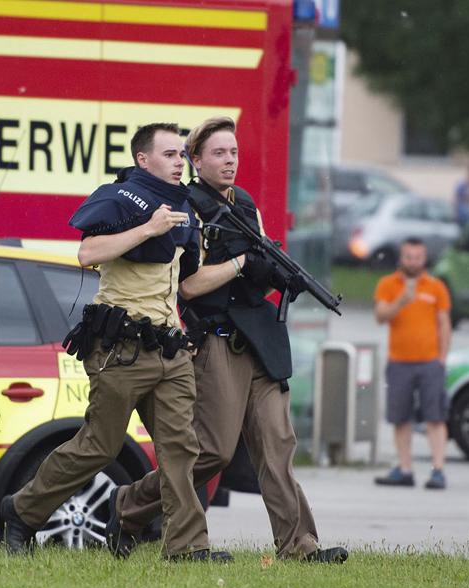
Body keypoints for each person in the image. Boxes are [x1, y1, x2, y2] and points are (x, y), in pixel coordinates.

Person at [105, 117, 347, 564]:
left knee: (277, 448)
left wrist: (275, 274)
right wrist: (241, 263)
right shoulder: (187, 207)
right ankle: (129, 505)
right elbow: (190, 285)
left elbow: (256, 268)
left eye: (234, 152)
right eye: (218, 153)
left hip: (261, 342)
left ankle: (300, 546)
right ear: (195, 161)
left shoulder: (246, 205)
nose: (230, 160)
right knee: (211, 450)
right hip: (216, 341)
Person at [0, 123, 223, 561]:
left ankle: (187, 547)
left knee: (182, 448)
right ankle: (22, 512)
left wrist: (236, 269)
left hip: (169, 350)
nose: (180, 161)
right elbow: (88, 253)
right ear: (143, 159)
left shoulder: (187, 210)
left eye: (182, 154)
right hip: (121, 349)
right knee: (99, 446)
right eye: (170, 154)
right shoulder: (118, 197)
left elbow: (184, 282)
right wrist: (147, 229)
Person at [373, 238, 451, 489]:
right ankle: (405, 469)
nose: (413, 262)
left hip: (429, 362)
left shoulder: (436, 286)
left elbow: (444, 323)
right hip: (399, 362)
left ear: (424, 258)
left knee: (435, 417)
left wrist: (442, 357)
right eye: (408, 257)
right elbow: (380, 317)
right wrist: (402, 301)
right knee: (400, 417)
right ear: (401, 258)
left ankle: (437, 469)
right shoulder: (388, 284)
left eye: (417, 257)